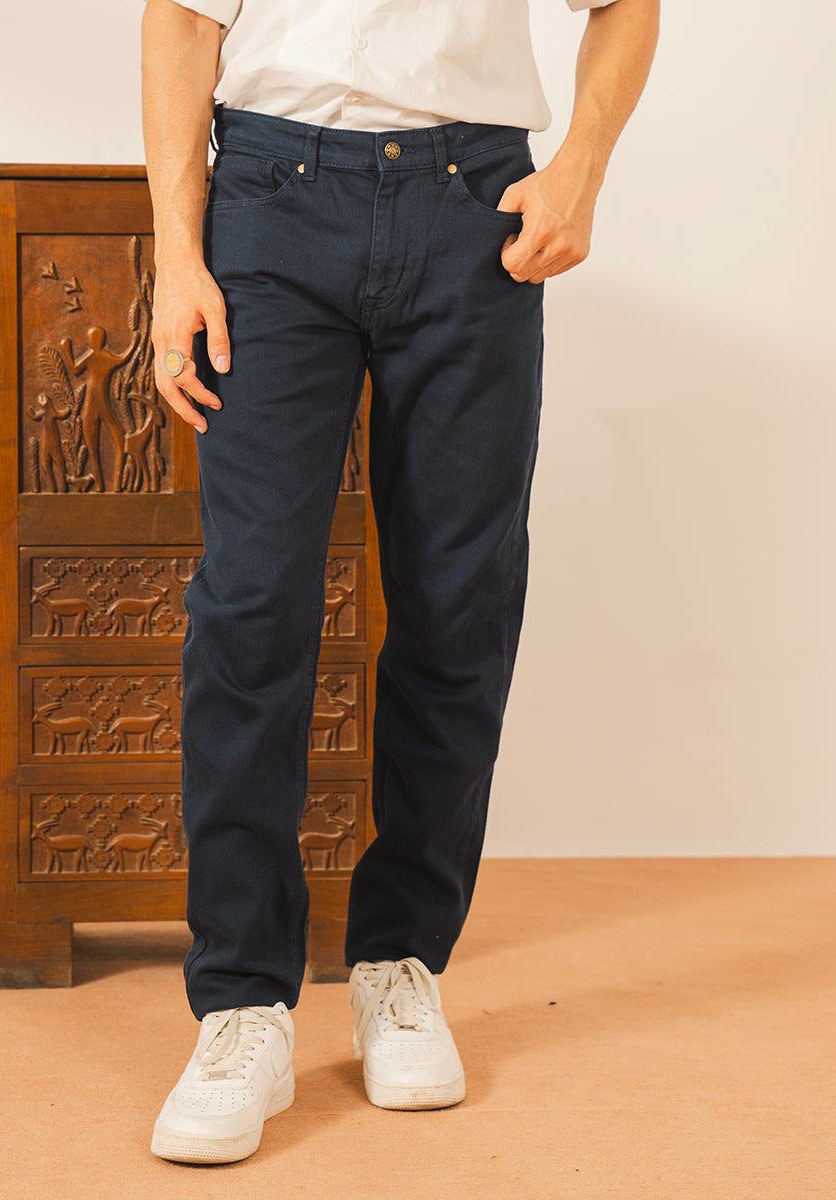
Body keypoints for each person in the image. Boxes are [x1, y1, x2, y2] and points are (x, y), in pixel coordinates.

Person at [140, 0, 659, 1165]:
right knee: (250, 606)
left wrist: (580, 169)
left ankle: (399, 961)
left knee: (458, 599)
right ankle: (241, 1004)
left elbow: (628, 5)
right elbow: (179, 22)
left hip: (472, 205)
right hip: (269, 197)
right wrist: (177, 255)